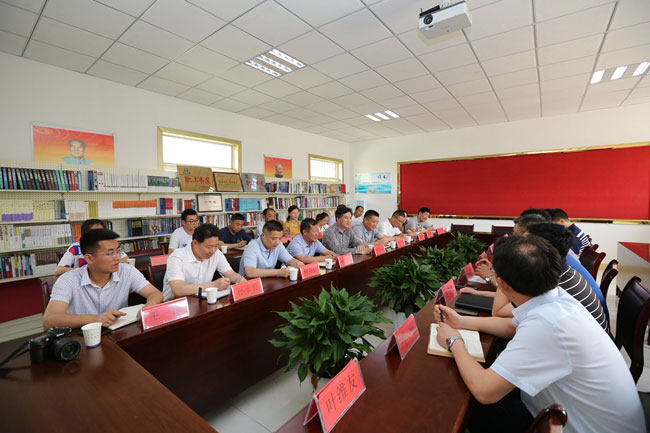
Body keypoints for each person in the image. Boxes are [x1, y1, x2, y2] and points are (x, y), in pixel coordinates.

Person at [433, 235, 645, 433]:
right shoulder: (556, 297)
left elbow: (484, 391)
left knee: (470, 406)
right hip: (578, 414)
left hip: (586, 427)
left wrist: (454, 341)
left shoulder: (547, 324)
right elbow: (512, 326)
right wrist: (462, 321)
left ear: (502, 284)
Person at [43, 229, 163, 329]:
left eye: (118, 251)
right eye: (110, 253)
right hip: (82, 340)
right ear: (89, 258)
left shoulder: (127, 271)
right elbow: (49, 320)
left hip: (118, 334)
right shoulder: (68, 280)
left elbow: (155, 294)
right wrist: (96, 319)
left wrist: (146, 309)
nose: (117, 258)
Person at [163, 224, 246, 301]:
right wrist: (213, 285)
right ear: (195, 243)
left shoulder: (216, 253)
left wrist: (238, 279)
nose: (213, 250)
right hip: (175, 305)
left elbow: (230, 273)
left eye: (216, 245)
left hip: (201, 301)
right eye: (209, 247)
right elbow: (178, 290)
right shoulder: (177, 257)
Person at [55, 218, 127, 276]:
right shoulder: (75, 247)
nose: (100, 236)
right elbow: (59, 270)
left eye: (102, 232)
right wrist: (88, 271)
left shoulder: (109, 245)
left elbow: (126, 260)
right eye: (96, 233)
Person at [239, 220, 304, 278]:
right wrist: (278, 272)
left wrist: (297, 263)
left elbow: (290, 260)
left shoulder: (278, 245)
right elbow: (250, 272)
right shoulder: (252, 247)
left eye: (280, 238)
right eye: (273, 238)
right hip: (249, 283)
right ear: (263, 235)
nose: (277, 242)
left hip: (267, 281)